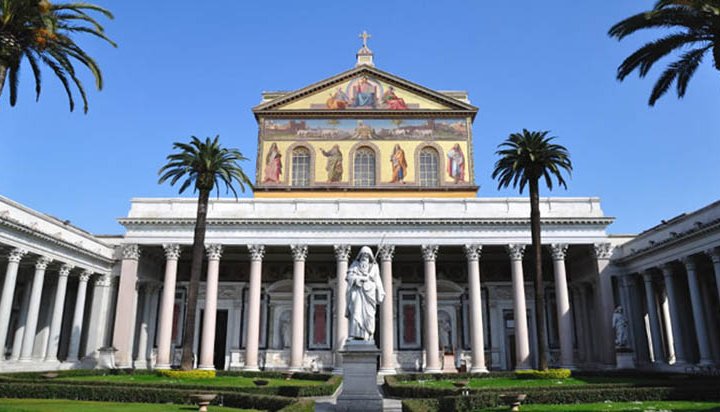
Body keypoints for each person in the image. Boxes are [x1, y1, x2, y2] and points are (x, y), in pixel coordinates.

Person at [346, 246, 385, 341]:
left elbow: (378, 281)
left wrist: (380, 291)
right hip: (357, 293)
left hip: (369, 294)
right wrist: (359, 279)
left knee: (369, 315)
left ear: (370, 257)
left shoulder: (374, 267)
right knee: (356, 313)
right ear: (360, 256)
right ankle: (354, 334)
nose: (365, 258)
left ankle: (368, 333)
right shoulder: (355, 266)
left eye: (367, 256)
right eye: (363, 255)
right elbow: (349, 277)